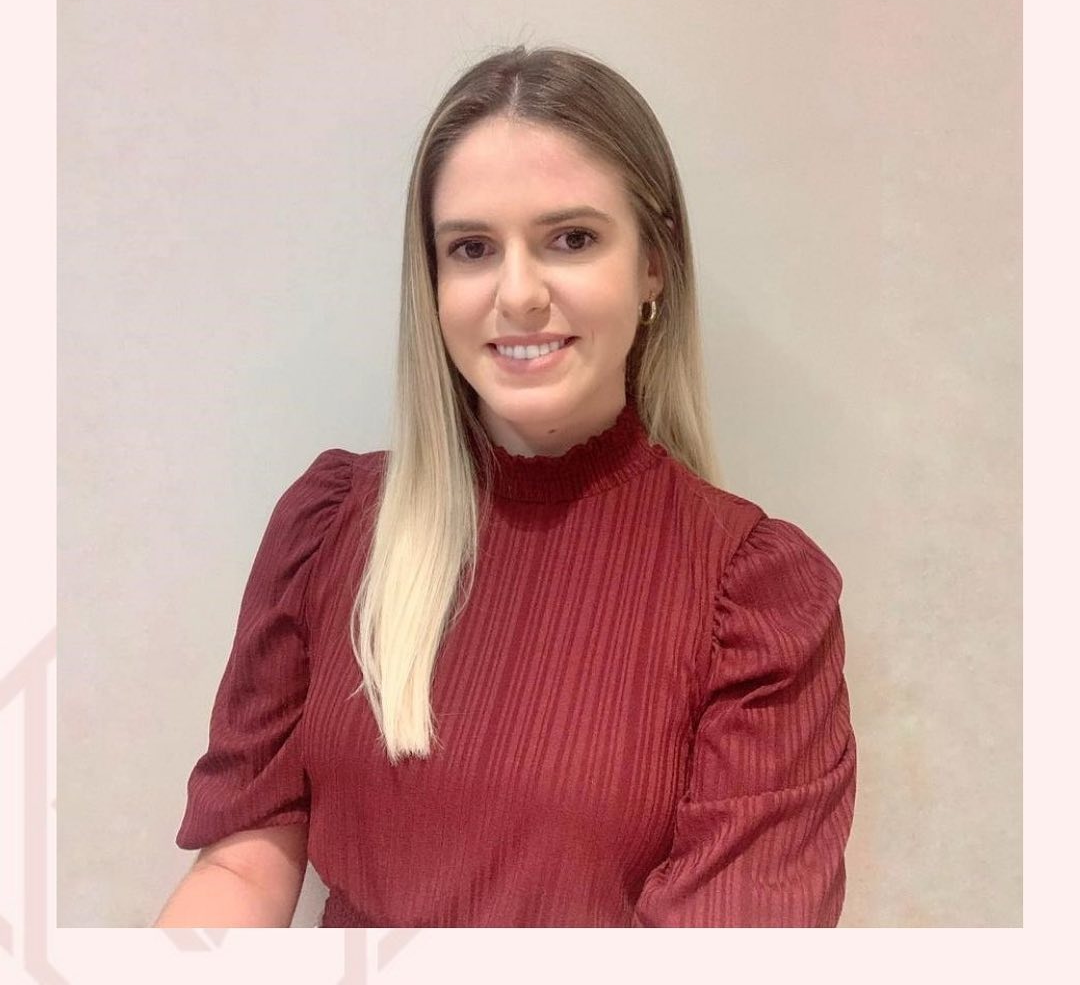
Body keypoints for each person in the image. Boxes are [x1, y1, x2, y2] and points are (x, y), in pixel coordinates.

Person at [154, 45, 857, 928]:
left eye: (572, 239)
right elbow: (243, 867)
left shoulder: (754, 595)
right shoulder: (327, 530)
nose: (518, 294)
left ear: (654, 263)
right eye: (473, 248)